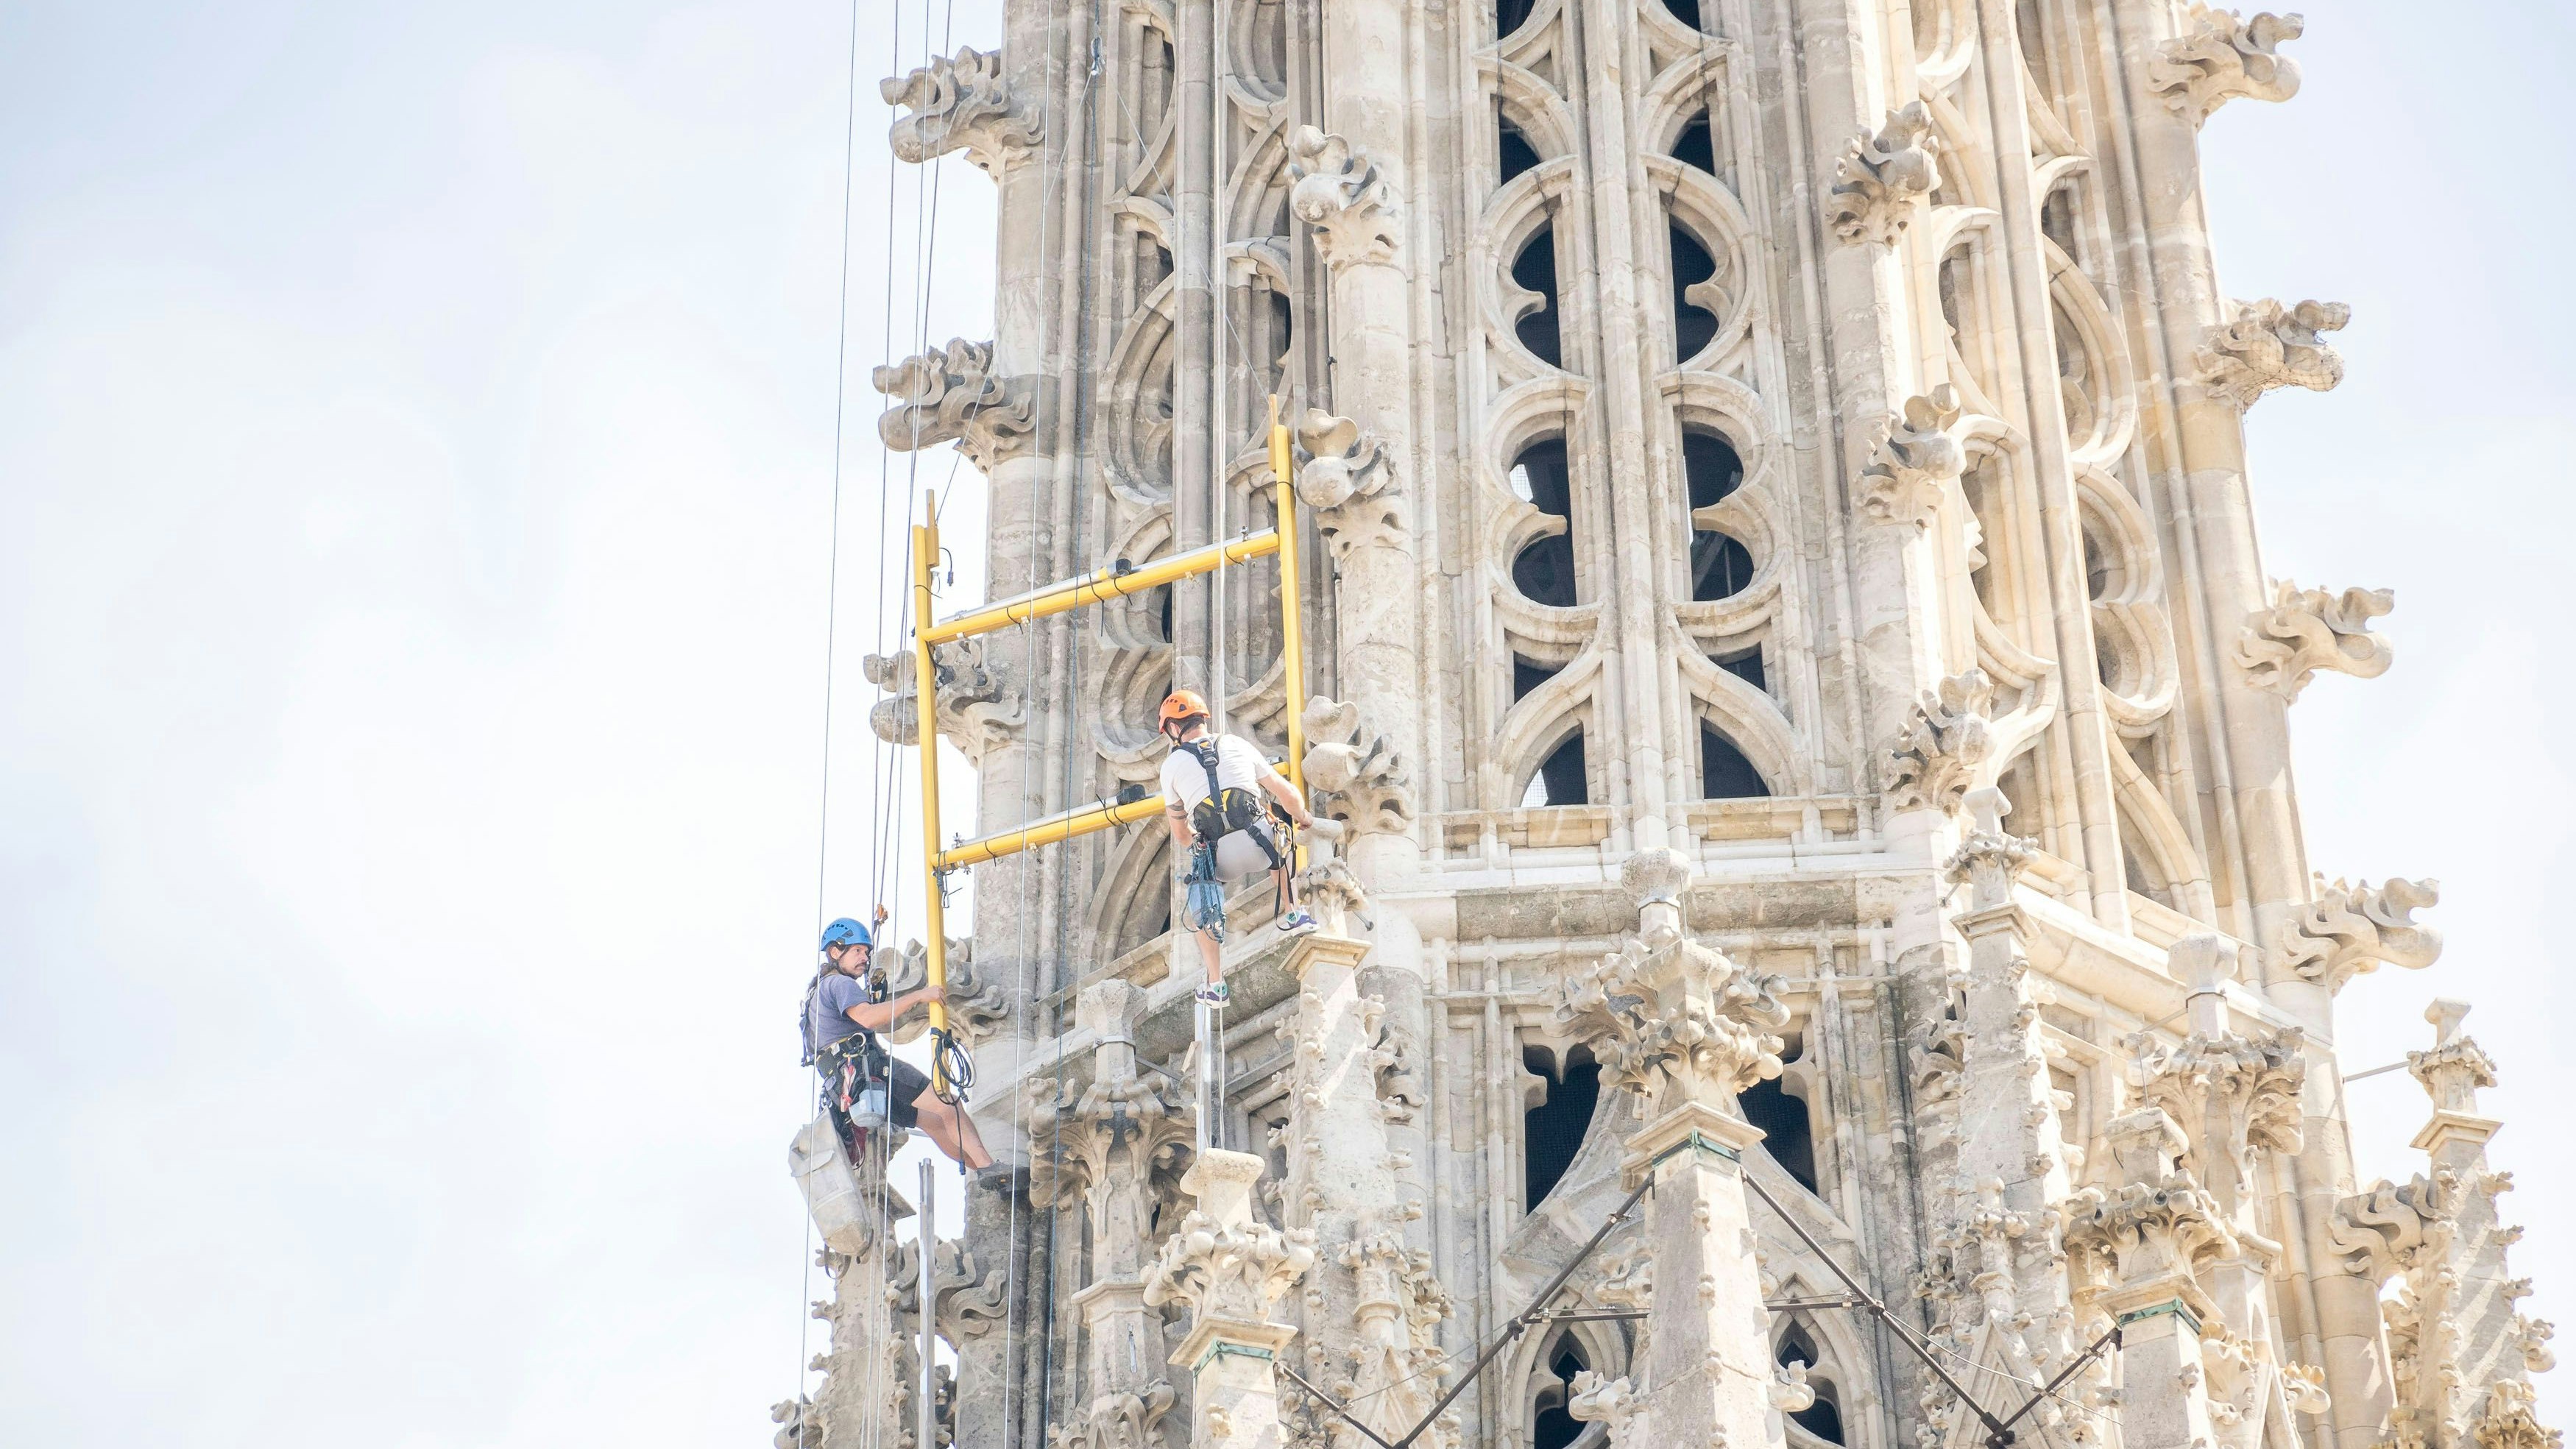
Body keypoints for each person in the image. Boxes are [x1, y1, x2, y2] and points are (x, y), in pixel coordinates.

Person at [1156, 690, 1318, 1006]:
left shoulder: (1172, 765)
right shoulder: (1237, 744)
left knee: (1202, 895)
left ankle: (1216, 984)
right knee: (1280, 833)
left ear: (1174, 729)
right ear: (1203, 719)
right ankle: (1293, 913)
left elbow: (1180, 833)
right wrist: (1303, 818)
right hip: (1262, 847)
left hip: (1221, 860)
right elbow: (1287, 793)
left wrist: (1197, 845)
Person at [803, 909, 994, 1170]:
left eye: (866, 952)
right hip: (869, 1070)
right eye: (857, 951)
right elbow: (869, 1018)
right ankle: (988, 1167)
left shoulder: (817, 992)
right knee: (948, 1103)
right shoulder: (840, 984)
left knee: (932, 1121)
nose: (865, 957)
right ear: (836, 953)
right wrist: (919, 996)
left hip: (849, 1085)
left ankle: (978, 1168)